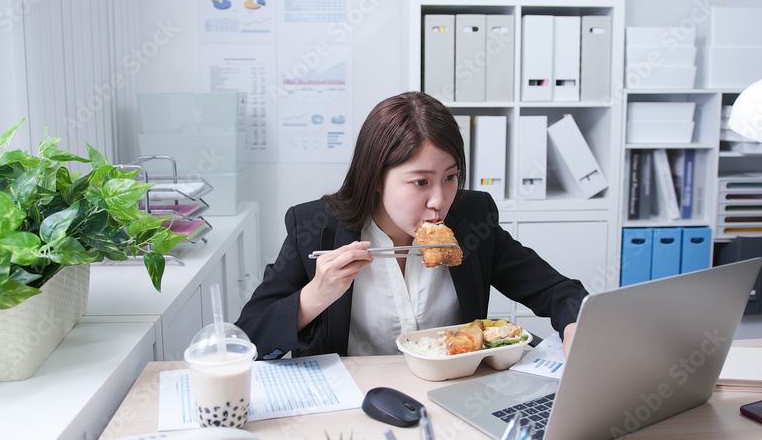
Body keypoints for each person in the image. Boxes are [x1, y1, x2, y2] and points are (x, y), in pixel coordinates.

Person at [236, 92, 589, 360]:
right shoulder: (315, 227)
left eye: (450, 177)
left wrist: (576, 327)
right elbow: (247, 338)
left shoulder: (472, 219)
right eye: (420, 182)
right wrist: (315, 296)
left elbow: (558, 291)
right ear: (375, 177)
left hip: (452, 395)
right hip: (355, 404)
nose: (440, 200)